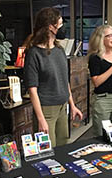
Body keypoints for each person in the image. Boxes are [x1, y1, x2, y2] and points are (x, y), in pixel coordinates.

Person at [24, 7, 83, 147]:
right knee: (47, 153)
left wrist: (72, 105)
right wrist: (41, 119)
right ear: (51, 27)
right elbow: (32, 90)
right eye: (61, 24)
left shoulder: (59, 50)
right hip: (46, 110)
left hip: (63, 108)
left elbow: (64, 81)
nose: (63, 28)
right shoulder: (34, 54)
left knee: (63, 147)